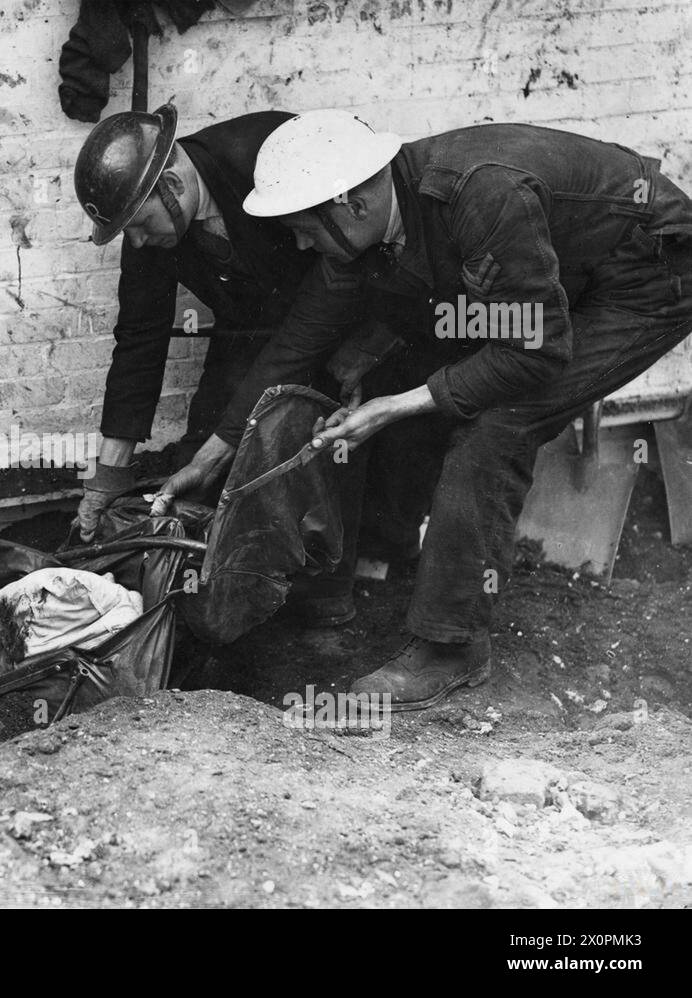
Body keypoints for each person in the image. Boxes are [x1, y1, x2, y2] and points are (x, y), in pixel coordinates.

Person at [155, 109, 692, 709]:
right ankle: (408, 557)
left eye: (306, 229)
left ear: (351, 205)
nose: (301, 244)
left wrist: (396, 406)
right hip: (569, 271)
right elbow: (296, 344)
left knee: (498, 423)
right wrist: (212, 454)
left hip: (646, 275)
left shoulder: (480, 196)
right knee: (440, 373)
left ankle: (452, 647)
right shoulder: (386, 210)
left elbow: (535, 348)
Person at [73, 103, 371, 626]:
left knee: (319, 452)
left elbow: (330, 289)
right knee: (199, 464)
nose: (137, 243)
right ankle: (206, 597)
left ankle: (324, 597)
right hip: (251, 331)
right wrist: (109, 474)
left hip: (337, 325)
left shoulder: (269, 153)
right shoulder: (148, 217)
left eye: (139, 226)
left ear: (171, 184)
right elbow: (140, 337)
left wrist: (231, 440)